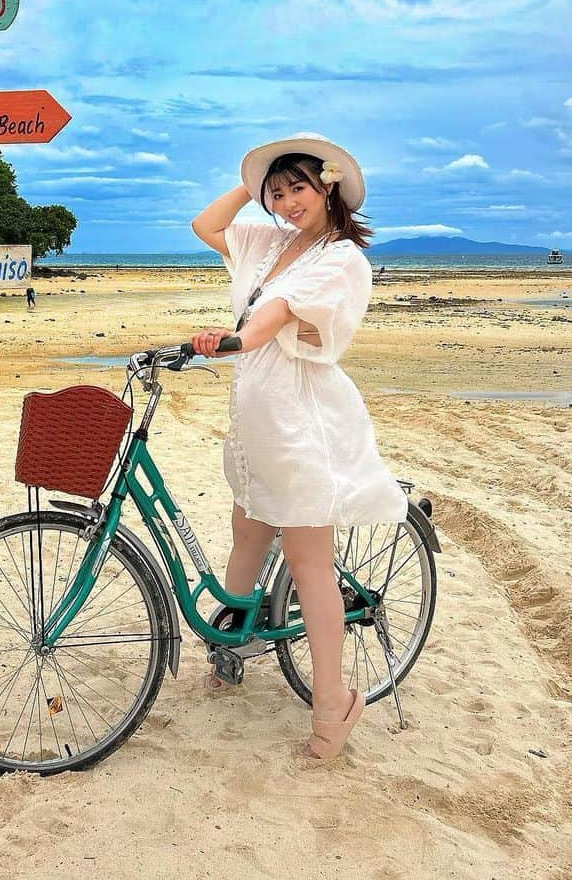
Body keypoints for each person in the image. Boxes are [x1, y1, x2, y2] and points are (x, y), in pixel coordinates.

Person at [189, 133, 407, 759]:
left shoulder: (341, 259)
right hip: (255, 419)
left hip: (301, 424)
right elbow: (206, 225)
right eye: (276, 195)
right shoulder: (268, 244)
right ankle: (230, 653)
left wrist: (231, 341)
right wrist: (252, 181)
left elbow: (278, 315)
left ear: (329, 186)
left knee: (308, 560)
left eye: (297, 190)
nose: (285, 204)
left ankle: (333, 701)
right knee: (247, 538)